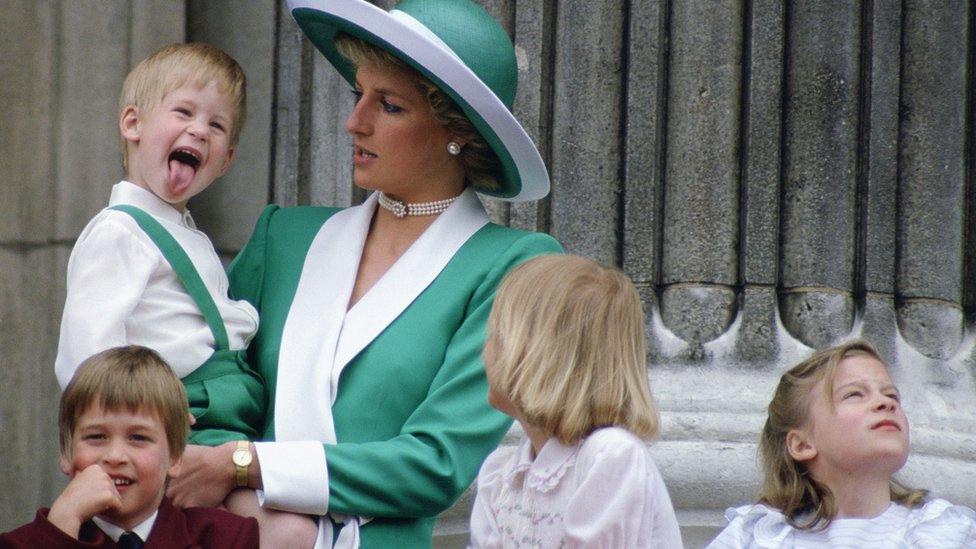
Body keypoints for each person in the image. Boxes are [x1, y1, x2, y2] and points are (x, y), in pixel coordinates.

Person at [167, 0, 562, 547]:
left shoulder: (513, 266)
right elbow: (211, 392)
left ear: (461, 132)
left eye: (390, 105)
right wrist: (252, 516)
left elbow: (436, 463)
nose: (356, 122)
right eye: (359, 95)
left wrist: (247, 466)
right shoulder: (283, 237)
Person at [54, 42, 265, 448]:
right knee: (269, 511)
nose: (200, 129)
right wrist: (134, 427)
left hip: (222, 413)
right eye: (184, 112)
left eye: (217, 126)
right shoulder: (120, 232)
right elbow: (85, 355)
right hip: (178, 419)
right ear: (133, 124)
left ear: (226, 160)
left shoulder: (185, 233)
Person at [468, 255, 683, 548]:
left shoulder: (610, 456)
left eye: (497, 335)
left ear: (533, 354)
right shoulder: (502, 476)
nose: (484, 350)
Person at [707, 340, 976, 548]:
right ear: (802, 445)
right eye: (855, 394)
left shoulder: (943, 532)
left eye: (891, 394)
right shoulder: (756, 537)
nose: (887, 402)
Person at [0, 346, 259, 548]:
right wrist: (60, 529)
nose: (115, 456)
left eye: (138, 438)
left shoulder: (226, 538)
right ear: (67, 452)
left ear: (176, 457)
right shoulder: (20, 544)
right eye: (96, 437)